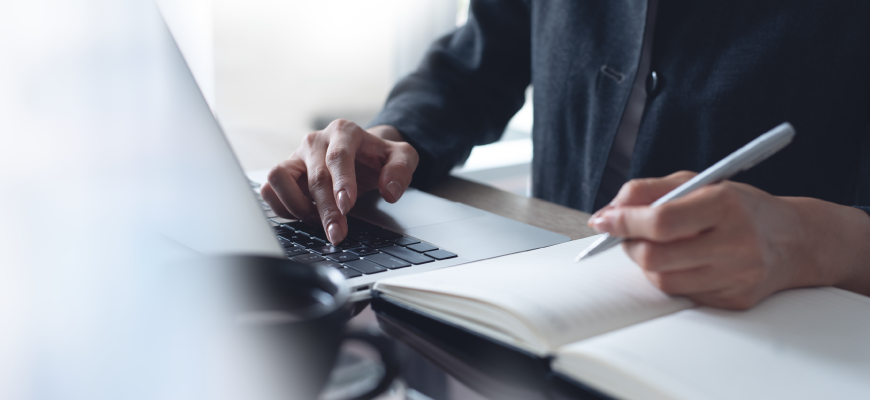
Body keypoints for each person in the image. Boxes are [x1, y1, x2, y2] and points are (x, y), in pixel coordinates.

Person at [261, 0, 870, 309]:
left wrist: (821, 241)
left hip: (789, 326)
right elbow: (482, 58)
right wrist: (391, 138)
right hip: (557, 293)